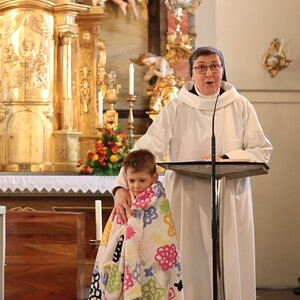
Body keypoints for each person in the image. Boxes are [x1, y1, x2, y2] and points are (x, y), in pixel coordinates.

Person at [112, 46, 273, 299]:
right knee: (190, 264)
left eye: (214, 66)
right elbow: (146, 148)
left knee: (229, 261)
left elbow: (262, 150)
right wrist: (122, 185)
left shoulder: (240, 106)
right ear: (192, 74)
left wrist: (226, 158)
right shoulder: (176, 108)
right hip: (187, 198)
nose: (208, 72)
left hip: (229, 195)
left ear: (222, 70)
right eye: (201, 67)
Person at [88, 149, 183, 300]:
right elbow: (114, 234)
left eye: (142, 180)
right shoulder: (125, 201)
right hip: (125, 264)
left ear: (154, 178)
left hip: (151, 266)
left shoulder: (160, 204)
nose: (136, 186)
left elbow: (164, 239)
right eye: (131, 181)